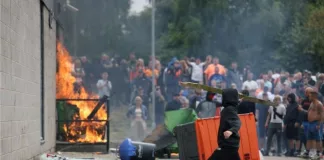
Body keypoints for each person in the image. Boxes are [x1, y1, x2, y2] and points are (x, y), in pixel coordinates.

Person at [208, 89, 241, 160]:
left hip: (228, 145)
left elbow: (237, 122)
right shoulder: (231, 108)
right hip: (231, 145)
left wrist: (231, 131)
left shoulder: (229, 109)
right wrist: (238, 101)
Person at [298, 91, 324, 159]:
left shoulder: (319, 104)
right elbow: (308, 112)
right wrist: (302, 110)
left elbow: (322, 115)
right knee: (309, 138)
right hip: (310, 123)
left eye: (310, 96)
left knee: (318, 139)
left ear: (314, 96)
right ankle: (307, 152)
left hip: (316, 123)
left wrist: (319, 124)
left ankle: (319, 153)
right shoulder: (312, 103)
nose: (309, 97)